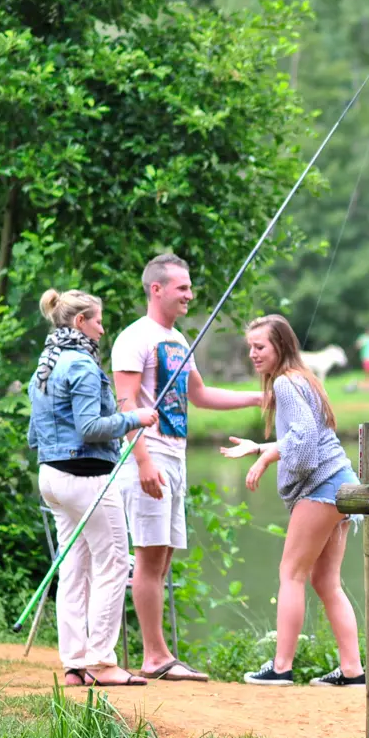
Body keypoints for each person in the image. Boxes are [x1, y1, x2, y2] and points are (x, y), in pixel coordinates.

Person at [112, 252, 261, 682]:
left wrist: (254, 397)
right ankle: (154, 656)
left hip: (174, 457)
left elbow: (199, 395)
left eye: (190, 288)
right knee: (148, 556)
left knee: (163, 557)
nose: (190, 295)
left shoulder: (178, 340)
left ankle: (159, 653)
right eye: (182, 288)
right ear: (156, 289)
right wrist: (141, 460)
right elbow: (126, 404)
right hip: (149, 457)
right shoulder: (134, 338)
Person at [220, 314, 366, 687]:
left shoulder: (285, 383)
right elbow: (306, 438)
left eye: (260, 347)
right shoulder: (303, 379)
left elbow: (304, 444)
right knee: (326, 582)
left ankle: (281, 667)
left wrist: (269, 456)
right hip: (342, 487)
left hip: (322, 488)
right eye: (250, 347)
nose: (253, 354)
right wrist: (261, 447)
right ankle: (352, 671)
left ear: (280, 346)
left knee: (291, 574)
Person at [28, 288, 159, 687]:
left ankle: (74, 665)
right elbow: (89, 428)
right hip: (85, 479)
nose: (103, 330)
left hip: (51, 477)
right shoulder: (82, 366)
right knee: (115, 560)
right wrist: (134, 417)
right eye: (98, 321)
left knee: (75, 567)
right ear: (79, 322)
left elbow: (35, 432)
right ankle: (103, 662)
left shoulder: (45, 364)